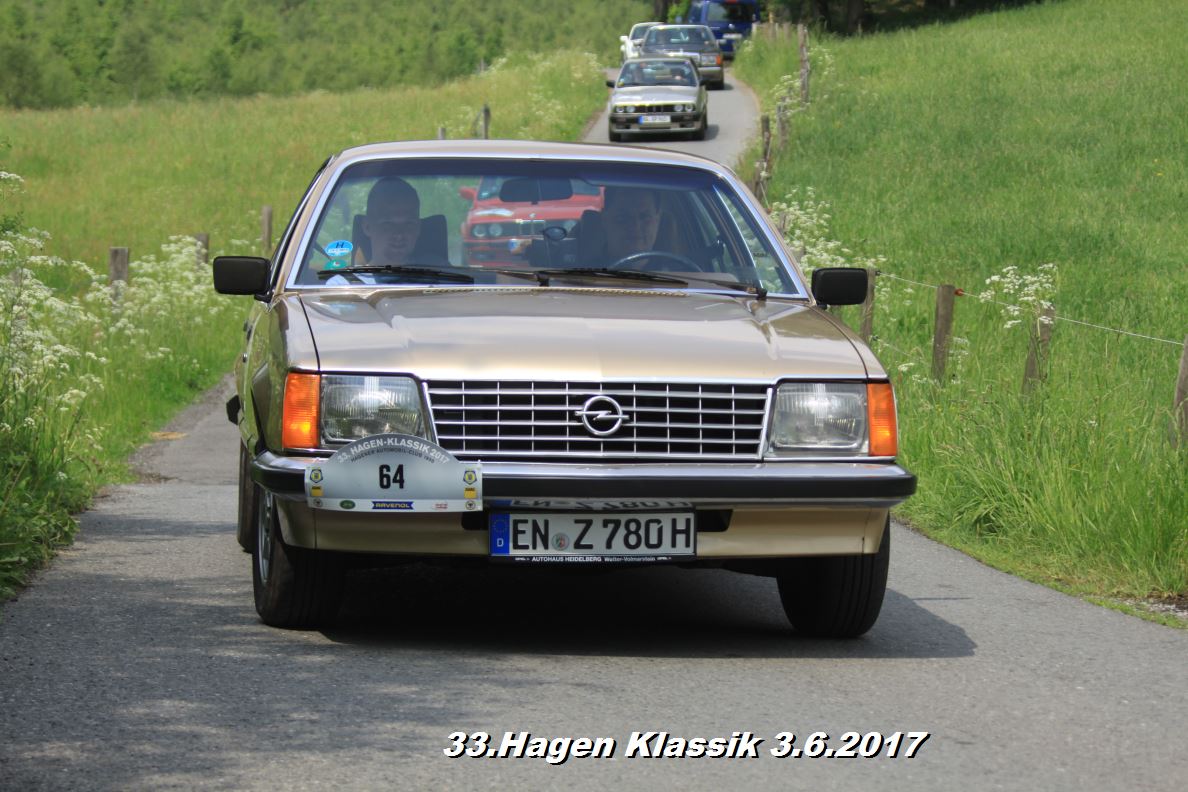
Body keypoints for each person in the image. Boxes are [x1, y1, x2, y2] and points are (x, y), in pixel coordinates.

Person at [356, 176, 421, 266]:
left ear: (418, 228)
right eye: (388, 224)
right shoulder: (346, 276)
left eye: (408, 224)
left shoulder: (438, 271)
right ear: (367, 227)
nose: (399, 235)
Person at [602, 186, 664, 262]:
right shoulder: (590, 268)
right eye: (623, 217)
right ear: (605, 219)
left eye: (645, 217)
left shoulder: (675, 269)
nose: (635, 226)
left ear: (657, 221)